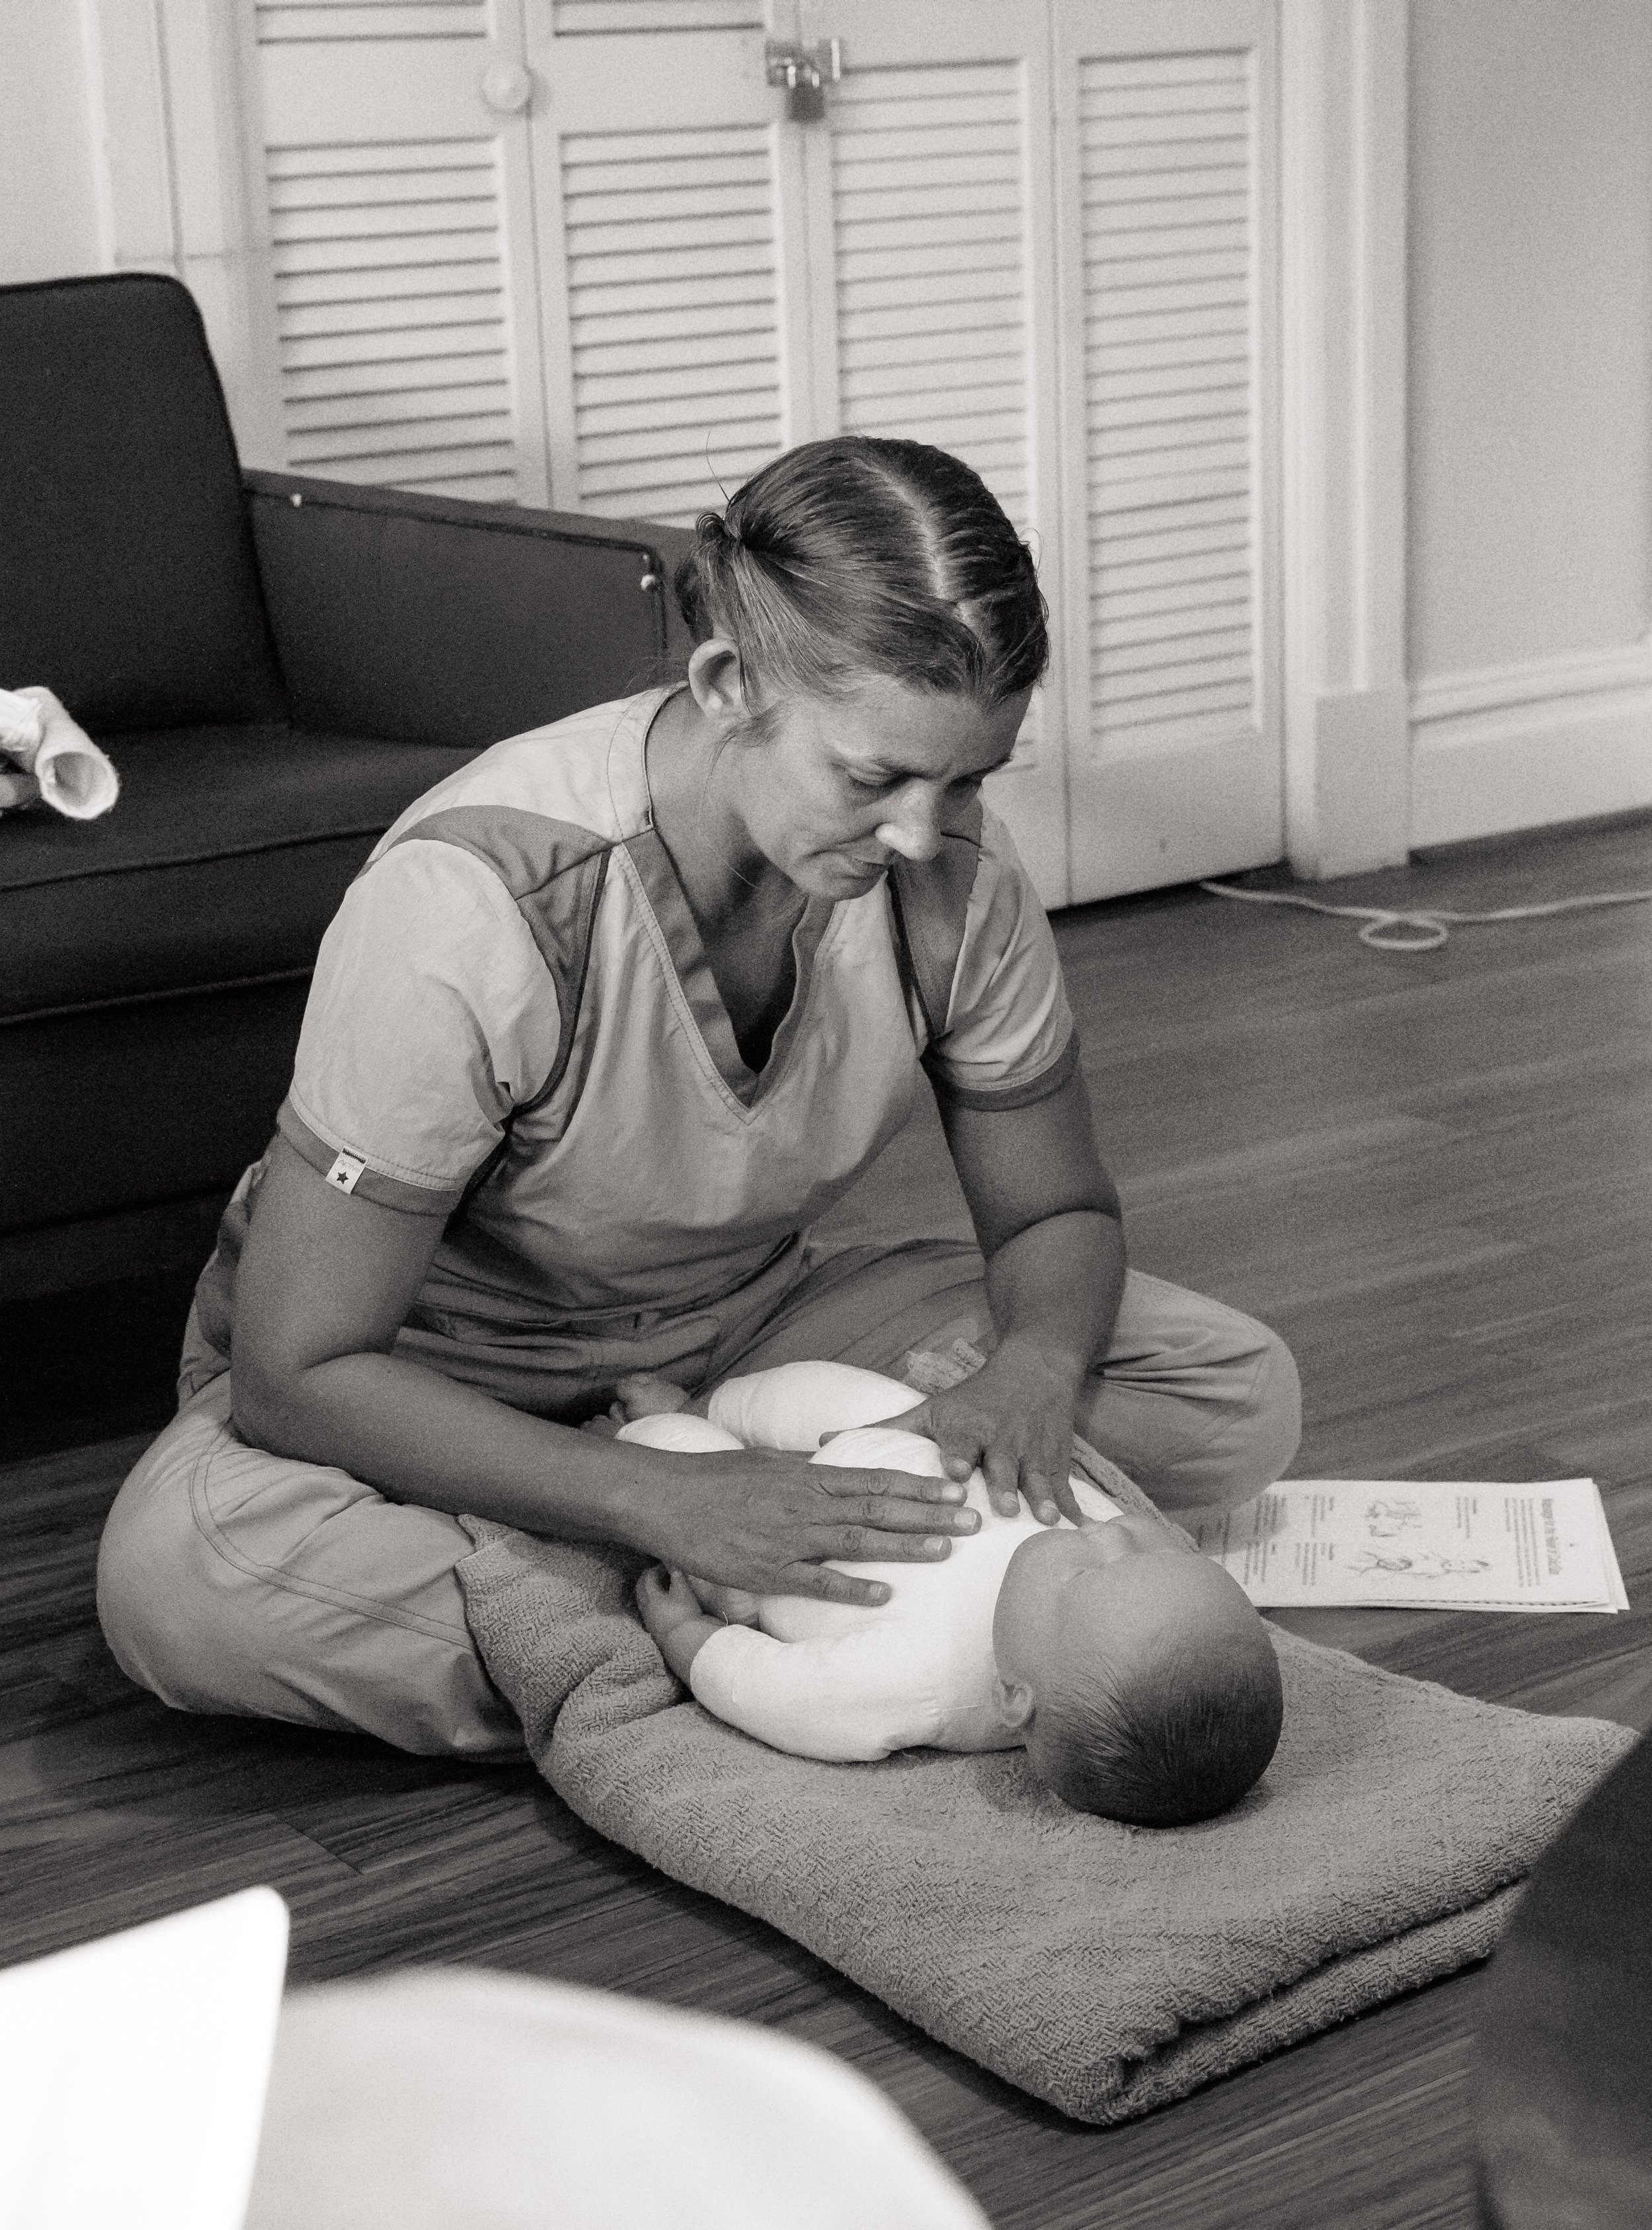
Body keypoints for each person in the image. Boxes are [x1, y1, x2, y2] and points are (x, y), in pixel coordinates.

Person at [96, 435, 1300, 1758]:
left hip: (741, 1328)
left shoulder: (956, 879)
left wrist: (1028, 1368)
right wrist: (657, 1498)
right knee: (178, 1575)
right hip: (438, 1370)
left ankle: (683, 1624)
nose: (922, 830)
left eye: (966, 777)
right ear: (729, 684)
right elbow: (296, 1369)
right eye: (873, 775)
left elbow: (1053, 1213)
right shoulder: (474, 906)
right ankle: (817, 1624)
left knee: (1226, 1388)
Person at [620, 1362, 1284, 1825]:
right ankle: (720, 1401)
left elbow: (780, 1695)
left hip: (762, 1548)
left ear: (1012, 1699)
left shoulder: (925, 1686)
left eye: (1094, 1567)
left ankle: (649, 1432)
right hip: (902, 1438)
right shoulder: (1084, 1594)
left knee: (683, 1462)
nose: (1127, 1530)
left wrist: (690, 1640)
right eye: (1169, 1550)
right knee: (814, 1394)